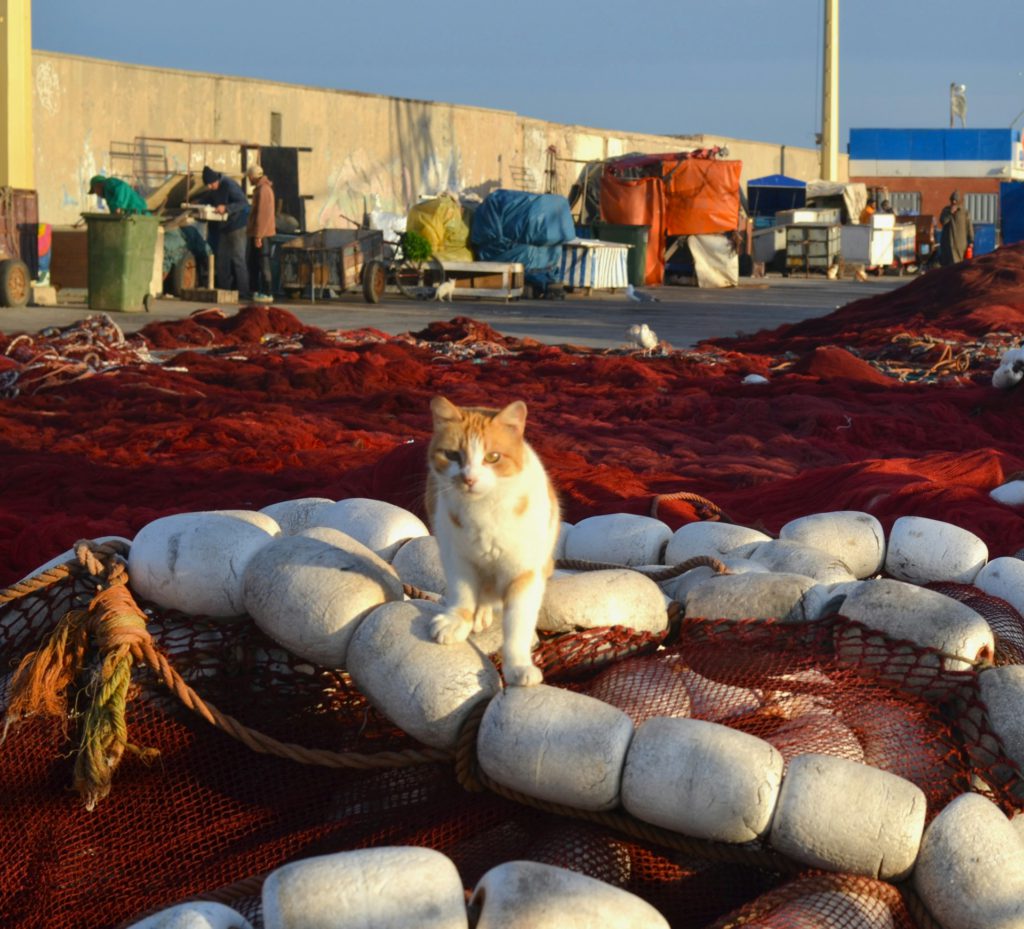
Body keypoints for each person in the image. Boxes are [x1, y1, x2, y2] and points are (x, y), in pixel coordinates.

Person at [197, 165, 250, 298]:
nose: (209, 187)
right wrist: (196, 203)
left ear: (215, 180)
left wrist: (226, 208)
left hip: (237, 226)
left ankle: (243, 292)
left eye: (210, 184)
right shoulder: (214, 188)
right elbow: (208, 198)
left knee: (238, 259)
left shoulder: (229, 184)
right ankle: (224, 290)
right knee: (222, 260)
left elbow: (243, 203)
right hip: (224, 227)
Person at [246, 163, 276, 302]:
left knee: (263, 263)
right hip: (257, 234)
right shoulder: (260, 189)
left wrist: (258, 236)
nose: (248, 180)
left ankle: (267, 292)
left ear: (253, 176)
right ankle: (256, 291)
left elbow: (263, 215)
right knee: (254, 264)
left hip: (262, 235)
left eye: (249, 177)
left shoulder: (263, 190)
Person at [939, 190, 974, 267]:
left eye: (956, 200)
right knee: (948, 266)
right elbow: (943, 221)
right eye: (952, 200)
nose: (954, 202)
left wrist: (971, 240)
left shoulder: (964, 212)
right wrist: (950, 213)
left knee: (959, 265)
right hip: (947, 244)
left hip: (960, 244)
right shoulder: (946, 210)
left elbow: (969, 227)